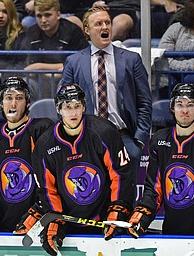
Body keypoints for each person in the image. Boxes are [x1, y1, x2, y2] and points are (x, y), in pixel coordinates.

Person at [31, 84, 134, 255]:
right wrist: (55, 218)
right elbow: (47, 189)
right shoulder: (44, 144)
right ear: (59, 109)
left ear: (84, 107)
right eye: (67, 107)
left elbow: (121, 175)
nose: (73, 113)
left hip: (104, 220)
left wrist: (117, 209)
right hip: (69, 223)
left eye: (77, 106)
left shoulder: (104, 132)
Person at [61, 6, 152, 187]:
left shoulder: (131, 59)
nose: (105, 27)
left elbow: (145, 101)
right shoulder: (74, 62)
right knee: (92, 192)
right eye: (98, 24)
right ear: (87, 30)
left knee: (125, 195)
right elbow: (63, 102)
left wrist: (139, 142)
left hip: (124, 138)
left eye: (107, 23)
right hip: (86, 137)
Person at [127, 83, 194, 239]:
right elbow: (154, 189)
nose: (185, 111)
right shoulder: (160, 139)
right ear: (172, 107)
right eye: (179, 105)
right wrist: (142, 215)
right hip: (171, 232)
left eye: (190, 105)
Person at [0, 77, 54, 233]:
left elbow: (52, 178)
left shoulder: (42, 128)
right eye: (8, 98)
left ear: (28, 103)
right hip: (5, 218)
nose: (13, 104)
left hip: (37, 218)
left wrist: (41, 208)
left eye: (19, 98)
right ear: (1, 103)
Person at [16, 0, 89, 102]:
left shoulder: (73, 31)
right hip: (41, 82)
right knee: (23, 84)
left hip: (68, 82)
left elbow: (80, 64)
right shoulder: (31, 33)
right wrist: (58, 69)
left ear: (58, 15)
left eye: (48, 15)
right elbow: (29, 69)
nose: (43, 20)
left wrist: (41, 67)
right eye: (39, 16)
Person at [0, 0, 26, 94]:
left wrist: (2, 75)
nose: (0, 16)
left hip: (14, 77)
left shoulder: (22, 35)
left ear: (11, 14)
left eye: (5, 12)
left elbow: (23, 65)